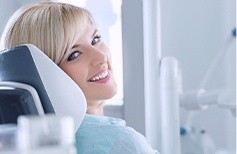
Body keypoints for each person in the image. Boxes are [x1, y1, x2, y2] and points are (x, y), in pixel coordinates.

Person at [1, 2, 159, 154]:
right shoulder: (123, 143)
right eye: (74, 55)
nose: (101, 57)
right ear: (44, 75)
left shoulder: (29, 144)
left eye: (95, 40)